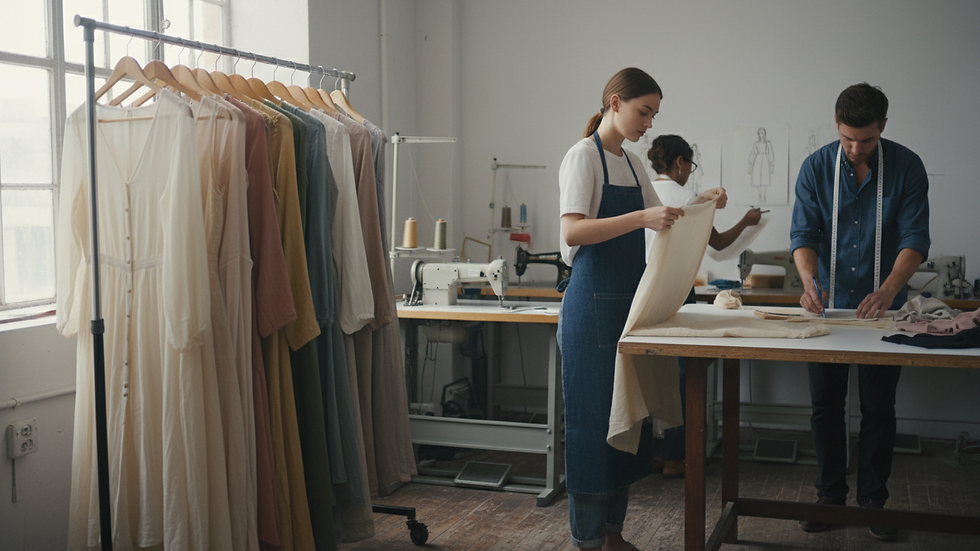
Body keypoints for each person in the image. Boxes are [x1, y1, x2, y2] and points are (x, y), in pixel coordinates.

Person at [557, 67, 726, 551]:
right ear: (614, 102)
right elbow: (572, 232)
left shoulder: (630, 163)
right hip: (590, 309)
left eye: (653, 114)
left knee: (624, 424)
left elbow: (666, 223)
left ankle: (613, 535)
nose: (648, 123)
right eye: (642, 111)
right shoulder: (581, 157)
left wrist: (704, 205)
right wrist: (639, 216)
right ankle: (586, 539)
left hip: (627, 310)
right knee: (593, 425)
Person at [790, 83, 930, 541]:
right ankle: (830, 497)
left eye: (865, 140)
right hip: (828, 309)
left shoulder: (907, 167)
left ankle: (875, 500)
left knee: (878, 407)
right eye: (847, 138)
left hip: (881, 311)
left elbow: (914, 240)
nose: (854, 148)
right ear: (836, 124)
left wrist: (889, 289)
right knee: (825, 406)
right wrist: (809, 282)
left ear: (883, 128)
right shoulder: (815, 167)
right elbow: (803, 237)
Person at [645, 134, 763, 478]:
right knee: (683, 375)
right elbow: (718, 246)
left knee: (647, 372)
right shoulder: (685, 197)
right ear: (680, 163)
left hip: (642, 292)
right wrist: (747, 221)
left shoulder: (644, 191)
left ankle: (651, 454)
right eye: (689, 165)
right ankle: (676, 456)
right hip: (676, 292)